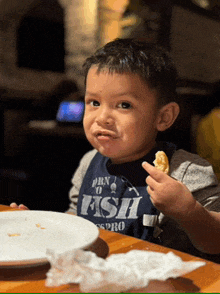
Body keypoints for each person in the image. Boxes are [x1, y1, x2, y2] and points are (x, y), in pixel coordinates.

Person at [11, 38, 220, 261]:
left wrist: (188, 211)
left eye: (124, 105)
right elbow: (78, 222)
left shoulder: (185, 170)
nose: (102, 118)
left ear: (163, 117)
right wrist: (39, 229)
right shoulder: (89, 163)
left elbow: (215, 242)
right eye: (94, 102)